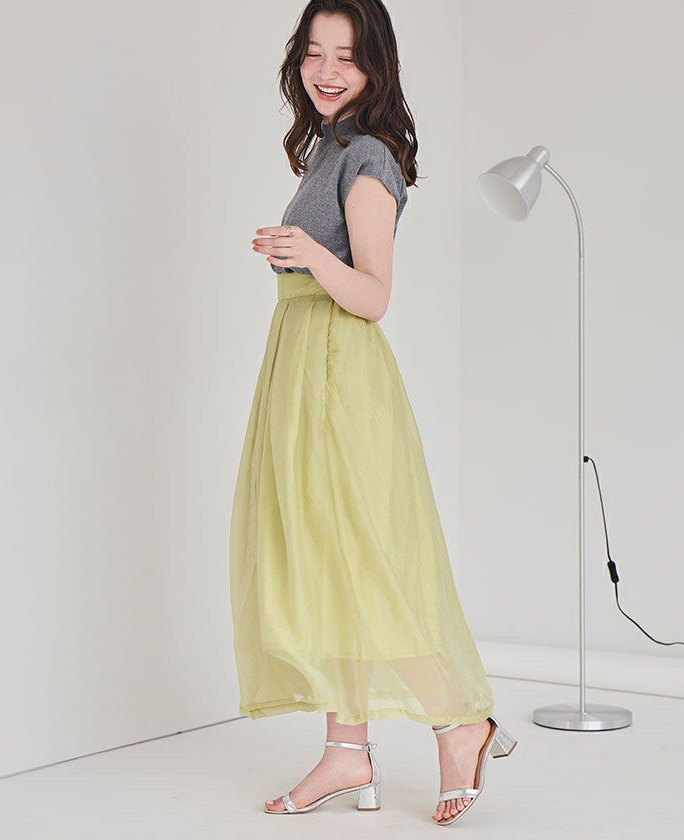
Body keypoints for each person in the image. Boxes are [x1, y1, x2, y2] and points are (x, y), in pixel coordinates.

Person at [229, 0, 516, 826]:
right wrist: (299, 259)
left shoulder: (370, 157)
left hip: (338, 374)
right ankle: (345, 751)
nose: (326, 70)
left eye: (346, 56)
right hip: (301, 366)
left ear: (375, 65)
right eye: (314, 52)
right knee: (325, 560)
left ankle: (460, 722)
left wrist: (309, 255)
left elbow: (374, 295)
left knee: (366, 558)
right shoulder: (328, 146)